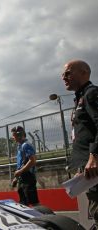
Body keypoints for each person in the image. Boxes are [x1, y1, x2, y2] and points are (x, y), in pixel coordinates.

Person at [62, 60, 98, 228]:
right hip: (90, 173)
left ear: (84, 72)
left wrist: (94, 156)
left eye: (68, 73)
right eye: (63, 74)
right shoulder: (80, 98)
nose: (64, 77)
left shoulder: (91, 94)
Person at [11, 126, 39, 206]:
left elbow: (32, 161)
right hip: (22, 177)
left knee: (34, 203)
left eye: (14, 135)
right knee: (23, 203)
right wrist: (16, 178)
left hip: (28, 177)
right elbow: (21, 163)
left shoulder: (26, 145)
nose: (13, 138)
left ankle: (42, 216)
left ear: (19, 135)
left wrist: (19, 171)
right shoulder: (20, 146)